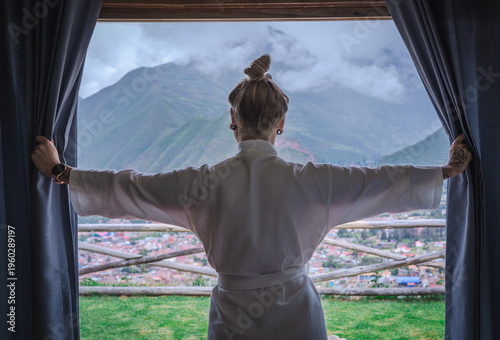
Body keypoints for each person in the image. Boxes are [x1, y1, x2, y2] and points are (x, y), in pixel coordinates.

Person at [32, 54, 472, 340]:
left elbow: (130, 187)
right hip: (299, 316)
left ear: (232, 121)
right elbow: (379, 180)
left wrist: (60, 170)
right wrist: (444, 171)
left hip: (232, 319)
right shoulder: (314, 181)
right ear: (281, 124)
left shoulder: (199, 183)